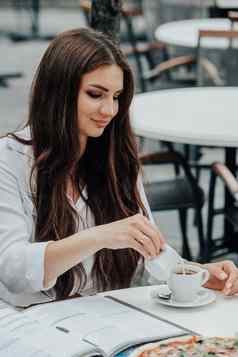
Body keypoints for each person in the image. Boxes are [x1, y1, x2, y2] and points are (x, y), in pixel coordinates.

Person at [0, 28, 237, 307]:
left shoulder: (116, 158)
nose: (109, 110)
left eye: (116, 96)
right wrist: (101, 236)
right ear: (58, 92)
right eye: (95, 94)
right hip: (30, 324)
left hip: (104, 320)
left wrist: (198, 274)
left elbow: (147, 256)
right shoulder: (10, 159)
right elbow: (13, 271)